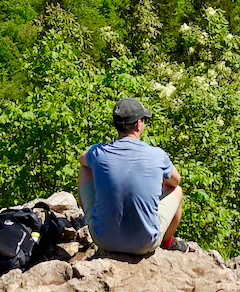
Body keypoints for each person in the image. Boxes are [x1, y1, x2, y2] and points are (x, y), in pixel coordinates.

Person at [79, 96, 192, 255]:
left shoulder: (98, 152)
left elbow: (81, 159)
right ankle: (167, 242)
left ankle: (95, 220)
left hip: (103, 240)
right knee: (177, 190)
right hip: (145, 244)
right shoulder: (157, 155)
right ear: (139, 124)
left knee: (85, 169)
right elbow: (175, 181)